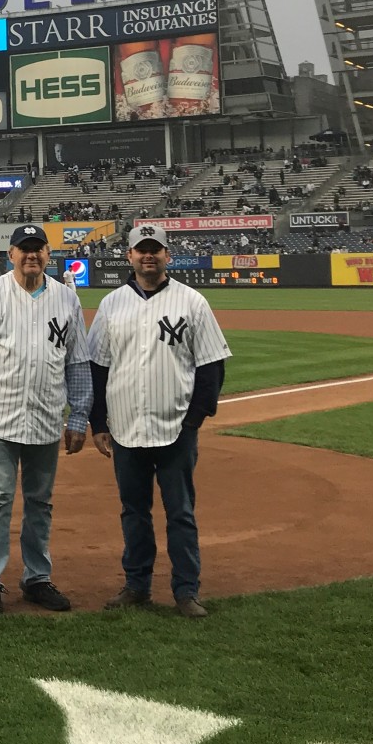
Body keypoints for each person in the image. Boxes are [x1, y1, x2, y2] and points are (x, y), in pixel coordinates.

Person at [88, 225, 231, 619]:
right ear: (130, 256)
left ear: (167, 255)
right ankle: (137, 586)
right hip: (126, 426)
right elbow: (98, 367)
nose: (148, 256)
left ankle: (186, 591)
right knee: (133, 511)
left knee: (180, 511)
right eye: (141, 250)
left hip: (175, 428)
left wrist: (195, 418)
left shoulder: (192, 301)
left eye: (155, 249)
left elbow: (211, 365)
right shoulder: (112, 304)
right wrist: (98, 422)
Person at [0, 224, 92, 615]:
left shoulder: (67, 299)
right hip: (0, 417)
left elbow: (78, 362)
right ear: (11, 254)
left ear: (48, 254)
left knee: (40, 502)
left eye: (38, 248)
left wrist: (79, 416)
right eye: (24, 248)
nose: (31, 255)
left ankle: (37, 578)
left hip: (46, 417)